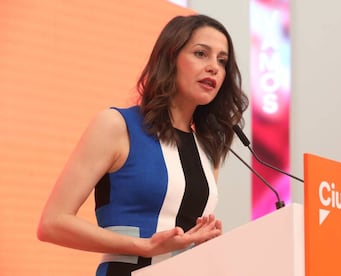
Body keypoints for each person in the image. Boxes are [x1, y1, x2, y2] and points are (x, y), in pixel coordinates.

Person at [37, 14, 248, 275]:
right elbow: (52, 223)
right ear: (170, 58)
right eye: (201, 53)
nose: (214, 67)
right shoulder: (116, 125)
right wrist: (144, 246)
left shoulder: (207, 150)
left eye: (222, 60)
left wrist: (202, 241)